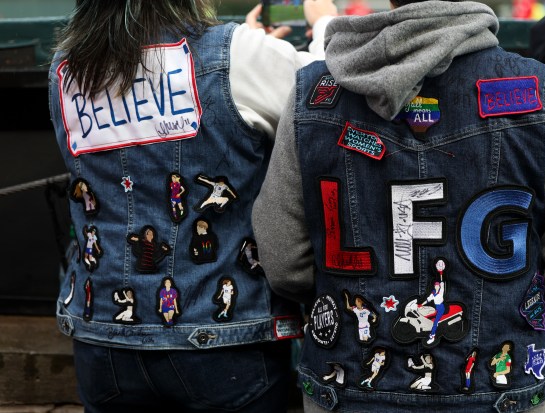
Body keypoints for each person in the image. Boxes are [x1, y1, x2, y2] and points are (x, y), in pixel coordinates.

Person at [252, 0, 545, 411]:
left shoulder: (310, 95)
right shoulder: (540, 93)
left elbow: (283, 261)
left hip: (347, 386)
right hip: (506, 392)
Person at [48, 0, 337, 412]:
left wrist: (244, 51)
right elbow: (326, 88)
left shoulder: (65, 66)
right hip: (224, 344)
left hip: (102, 339)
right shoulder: (240, 54)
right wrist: (322, 20)